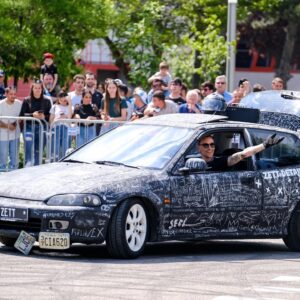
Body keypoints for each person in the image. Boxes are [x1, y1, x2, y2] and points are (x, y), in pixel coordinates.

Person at [197, 134, 284, 171]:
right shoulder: (190, 160)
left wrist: (264, 145)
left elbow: (242, 154)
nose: (210, 148)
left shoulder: (220, 161)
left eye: (212, 145)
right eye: (206, 145)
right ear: (198, 148)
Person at [20, 80, 52, 166]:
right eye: (35, 88)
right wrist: (32, 115)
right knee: (28, 149)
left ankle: (37, 169)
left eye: (39, 88)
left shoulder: (47, 101)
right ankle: (27, 167)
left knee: (39, 150)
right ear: (32, 89)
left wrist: (44, 116)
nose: (37, 90)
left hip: (42, 128)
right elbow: (21, 115)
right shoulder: (26, 100)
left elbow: (50, 115)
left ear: (42, 89)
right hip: (29, 127)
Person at [0, 87, 22, 171]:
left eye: (14, 94)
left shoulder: (19, 103)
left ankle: (15, 179)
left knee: (15, 159)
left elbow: (21, 116)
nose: (13, 96)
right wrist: (8, 126)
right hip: (2, 136)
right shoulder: (1, 104)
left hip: (16, 135)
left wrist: (17, 123)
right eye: (11, 94)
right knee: (3, 159)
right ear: (5, 94)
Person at [49, 91, 73, 160]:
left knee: (65, 148)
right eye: (61, 100)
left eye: (65, 100)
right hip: (56, 127)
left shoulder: (70, 107)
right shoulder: (54, 106)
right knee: (55, 149)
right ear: (58, 99)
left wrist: (70, 102)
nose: (63, 102)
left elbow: (69, 117)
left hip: (66, 128)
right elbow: (51, 120)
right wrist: (56, 119)